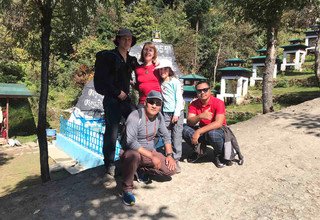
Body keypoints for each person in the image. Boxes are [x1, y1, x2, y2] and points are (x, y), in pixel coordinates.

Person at [94, 28, 139, 176]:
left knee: (134, 123)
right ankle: (109, 163)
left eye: (129, 39)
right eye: (124, 38)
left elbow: (141, 69)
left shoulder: (131, 59)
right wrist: (116, 92)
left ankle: (130, 155)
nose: (127, 41)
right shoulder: (110, 57)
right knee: (112, 131)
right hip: (113, 99)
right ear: (118, 40)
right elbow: (104, 79)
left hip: (125, 99)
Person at [121, 90, 176, 206]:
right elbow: (130, 142)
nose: (154, 105)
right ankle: (127, 190)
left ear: (161, 106)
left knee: (172, 170)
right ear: (146, 102)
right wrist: (152, 156)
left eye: (158, 103)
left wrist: (170, 155)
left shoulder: (159, 117)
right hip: (133, 152)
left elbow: (166, 136)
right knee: (133, 156)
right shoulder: (135, 116)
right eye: (152, 102)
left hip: (149, 152)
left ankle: (141, 170)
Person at [182, 81, 227, 168]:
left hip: (218, 131)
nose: (202, 92)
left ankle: (219, 154)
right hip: (203, 131)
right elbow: (189, 122)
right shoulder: (194, 104)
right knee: (184, 129)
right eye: (199, 91)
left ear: (210, 90)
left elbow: (219, 123)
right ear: (197, 93)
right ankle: (199, 151)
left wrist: (198, 131)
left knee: (212, 134)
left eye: (205, 90)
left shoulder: (218, 103)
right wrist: (200, 116)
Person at [155, 59, 184, 173]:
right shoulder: (161, 83)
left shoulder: (174, 82)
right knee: (167, 135)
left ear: (169, 70)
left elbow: (179, 98)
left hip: (177, 112)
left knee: (177, 135)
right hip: (165, 113)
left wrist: (176, 114)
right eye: (161, 69)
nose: (163, 71)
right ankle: (169, 155)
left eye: (165, 69)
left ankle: (176, 159)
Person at [134, 42, 161, 108]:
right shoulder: (138, 69)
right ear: (142, 52)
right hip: (142, 102)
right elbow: (139, 86)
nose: (148, 52)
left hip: (155, 103)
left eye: (150, 50)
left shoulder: (158, 67)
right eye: (146, 50)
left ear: (154, 54)